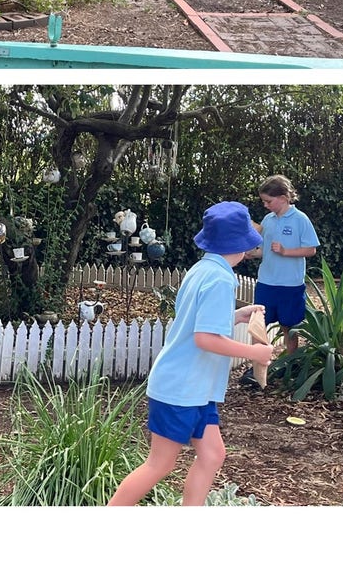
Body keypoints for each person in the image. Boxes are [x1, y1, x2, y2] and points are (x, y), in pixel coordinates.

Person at [107, 201, 273, 507]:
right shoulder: (222, 278)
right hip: (181, 388)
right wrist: (254, 352)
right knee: (160, 465)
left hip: (195, 388)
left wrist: (236, 315)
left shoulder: (203, 269)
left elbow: (196, 320)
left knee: (212, 455)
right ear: (239, 244)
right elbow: (205, 338)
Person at [245, 174, 320, 355]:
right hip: (266, 283)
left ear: (284, 198)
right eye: (264, 201)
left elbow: (311, 250)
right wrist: (250, 254)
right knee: (259, 325)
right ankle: (259, 364)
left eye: (268, 201)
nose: (265, 205)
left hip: (290, 285)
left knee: (290, 327)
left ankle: (290, 363)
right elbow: (263, 250)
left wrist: (286, 251)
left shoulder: (301, 219)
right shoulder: (267, 220)